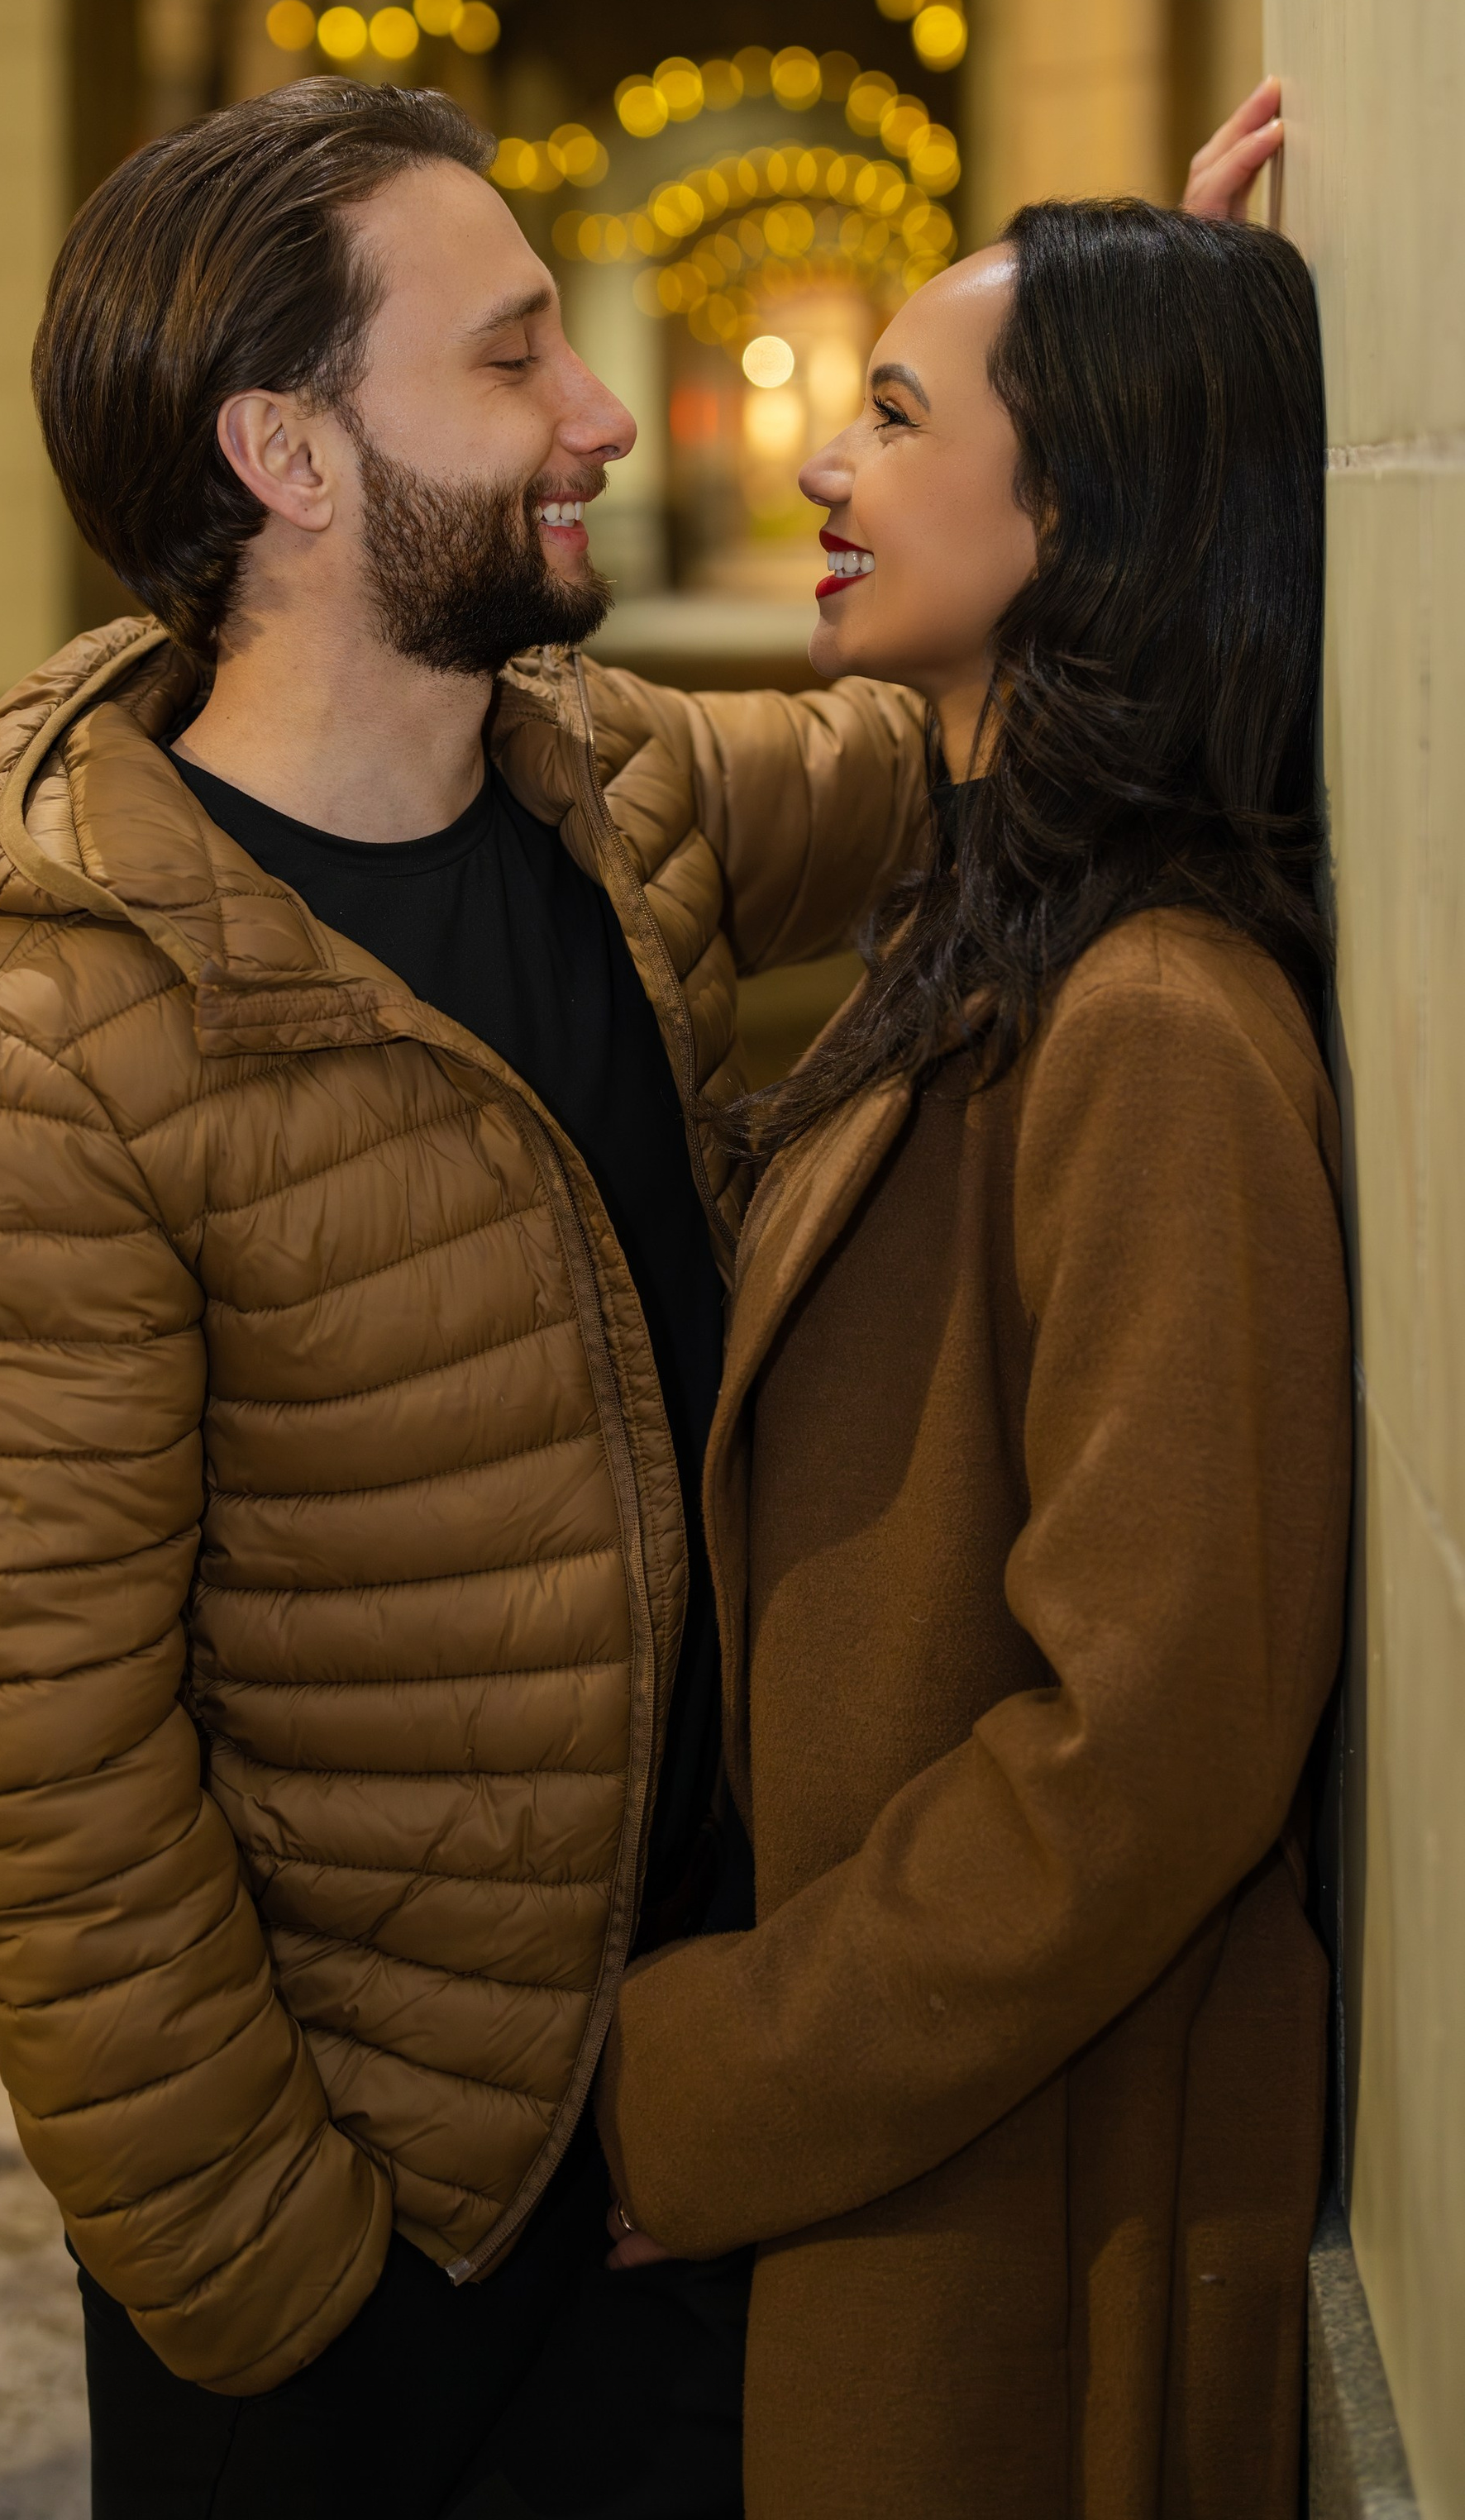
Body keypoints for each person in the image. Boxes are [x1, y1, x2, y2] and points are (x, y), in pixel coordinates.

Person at [0, 75, 934, 2520]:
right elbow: (35, 1771)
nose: (602, 412)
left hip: (678, 2121)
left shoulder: (606, 790)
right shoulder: (28, 1047)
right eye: (515, 355)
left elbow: (950, 755)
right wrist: (276, 2273)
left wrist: (1145, 371)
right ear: (290, 456)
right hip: (364, 2253)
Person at [594, 195, 1351, 2520]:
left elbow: (1142, 1749)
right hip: (933, 2140)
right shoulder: (991, 898)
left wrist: (715, 2075)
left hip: (1020, 2195)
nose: (828, 461)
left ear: (1083, 512)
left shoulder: (1152, 1023)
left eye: (897, 417)